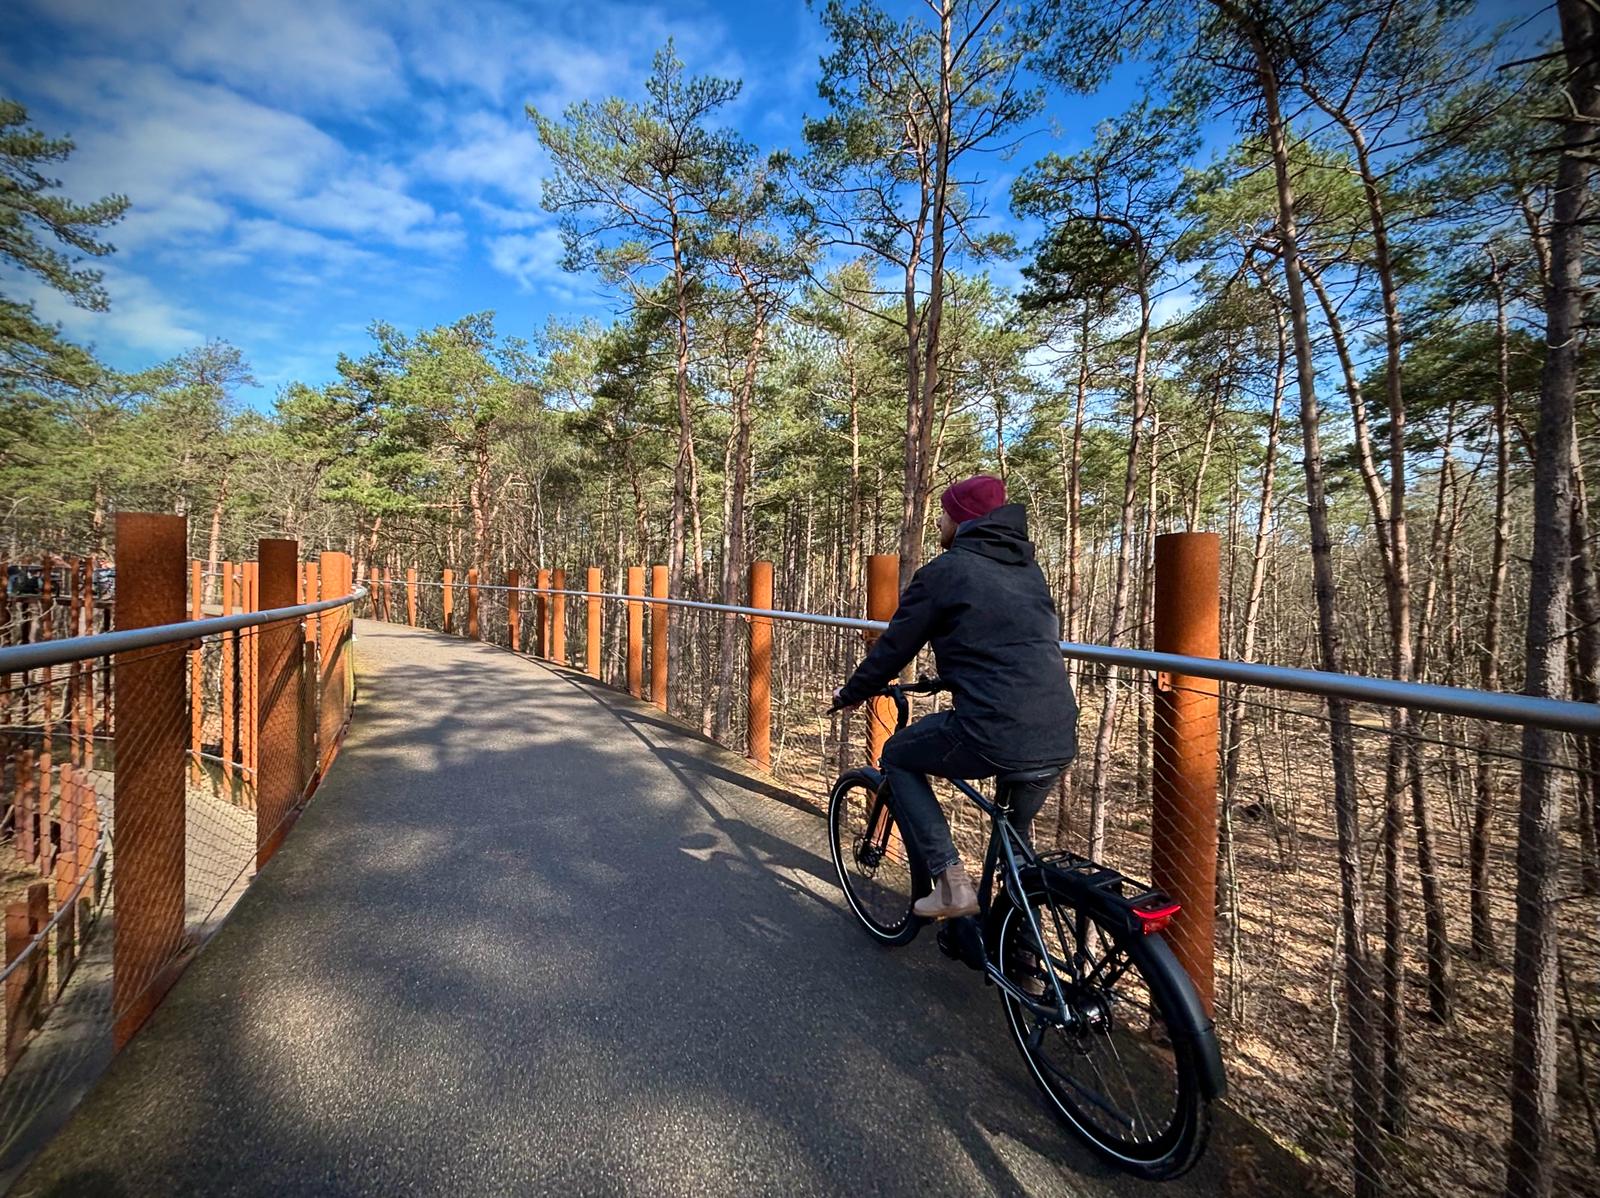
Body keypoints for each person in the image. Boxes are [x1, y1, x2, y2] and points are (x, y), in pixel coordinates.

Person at [833, 476, 1078, 919]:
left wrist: (853, 693)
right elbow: (1010, 644)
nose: (940, 522)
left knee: (899, 755)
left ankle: (949, 882)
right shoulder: (1029, 570)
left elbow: (895, 647)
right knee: (1016, 844)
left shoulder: (946, 571)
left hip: (993, 729)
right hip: (1058, 730)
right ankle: (1020, 957)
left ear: (962, 518)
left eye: (944, 513)